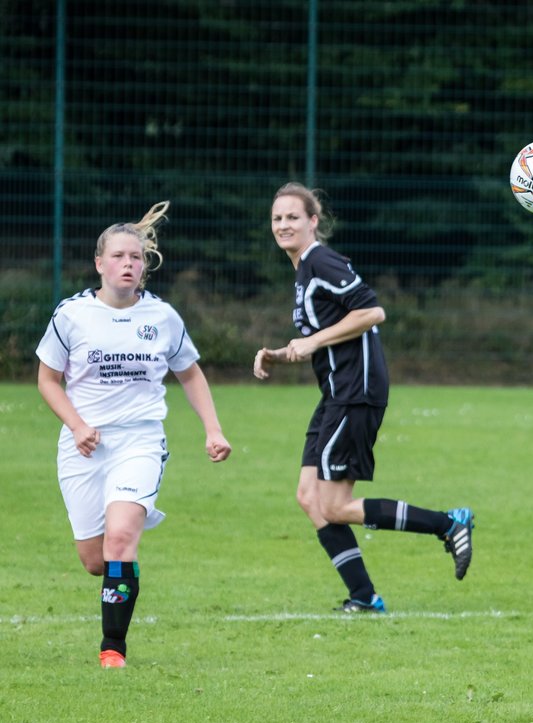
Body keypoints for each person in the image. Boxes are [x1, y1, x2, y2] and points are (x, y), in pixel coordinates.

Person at [253, 182, 474, 612]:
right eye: (277, 218)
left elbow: (372, 311)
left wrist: (314, 341)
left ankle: (448, 523)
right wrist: (281, 354)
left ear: (313, 221)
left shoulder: (321, 260)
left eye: (293, 217)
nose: (284, 225)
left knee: (333, 506)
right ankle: (364, 597)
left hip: (355, 392)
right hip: (334, 392)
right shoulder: (303, 271)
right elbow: (329, 336)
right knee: (307, 496)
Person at [36, 201, 232, 669]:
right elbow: (47, 380)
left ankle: (113, 650)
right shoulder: (72, 315)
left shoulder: (162, 317)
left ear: (145, 266)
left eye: (137, 257)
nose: (129, 264)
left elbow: (190, 374)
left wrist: (213, 430)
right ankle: (123, 578)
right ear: (99, 263)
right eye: (120, 256)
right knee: (95, 559)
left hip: (141, 441)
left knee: (121, 537)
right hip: (83, 444)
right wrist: (78, 426)